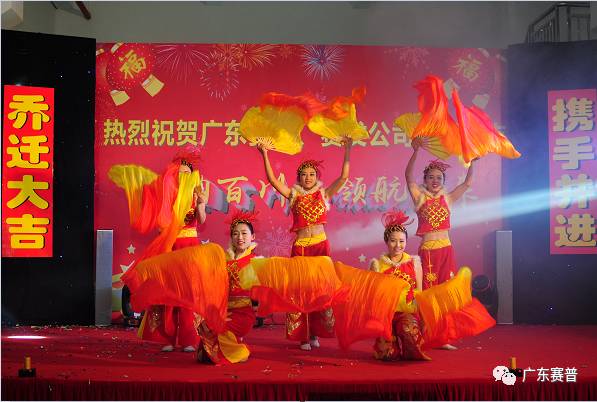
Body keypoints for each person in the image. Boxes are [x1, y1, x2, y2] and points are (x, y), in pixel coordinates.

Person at [256, 138, 352, 350]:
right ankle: (303, 336)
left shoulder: (323, 194)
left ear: (317, 177)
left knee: (319, 290)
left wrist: (348, 148)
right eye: (304, 174)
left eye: (312, 174)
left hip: (320, 246)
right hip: (301, 247)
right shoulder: (293, 195)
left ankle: (315, 333)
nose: (308, 177)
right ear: (298, 177)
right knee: (300, 292)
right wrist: (265, 153)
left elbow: (344, 176)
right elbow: (272, 180)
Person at [111, 150, 206, 352]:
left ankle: (189, 339)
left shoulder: (196, 193)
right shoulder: (165, 196)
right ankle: (167, 339)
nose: (183, 176)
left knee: (187, 294)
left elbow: (202, 219)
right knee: (167, 293)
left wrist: (200, 204)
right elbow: (159, 224)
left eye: (187, 173)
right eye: (179, 173)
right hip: (169, 247)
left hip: (189, 247)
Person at [405, 137, 477, 349]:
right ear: (425, 180)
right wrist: (415, 151)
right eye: (431, 177)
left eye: (439, 177)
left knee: (445, 293)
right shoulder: (420, 197)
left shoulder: (448, 198)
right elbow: (408, 177)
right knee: (429, 294)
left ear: (443, 181)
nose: (435, 181)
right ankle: (426, 334)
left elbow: (467, 183)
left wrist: (472, 162)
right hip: (428, 252)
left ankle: (443, 336)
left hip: (446, 250)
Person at [196, 209, 260, 364]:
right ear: (231, 237)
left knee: (217, 334)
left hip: (243, 313)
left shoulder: (257, 261)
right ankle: (231, 342)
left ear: (252, 237)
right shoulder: (223, 259)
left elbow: (260, 294)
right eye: (235, 234)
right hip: (223, 310)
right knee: (204, 336)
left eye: (244, 233)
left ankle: (240, 350)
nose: (240, 237)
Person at [369, 210, 430, 361]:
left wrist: (423, 320)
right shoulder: (377, 265)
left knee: (410, 335)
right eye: (393, 241)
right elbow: (373, 295)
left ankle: (409, 346)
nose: (398, 245)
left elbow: (419, 293)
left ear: (406, 241)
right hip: (386, 315)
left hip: (407, 313)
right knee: (388, 355)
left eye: (401, 241)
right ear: (386, 241)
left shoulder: (414, 263)